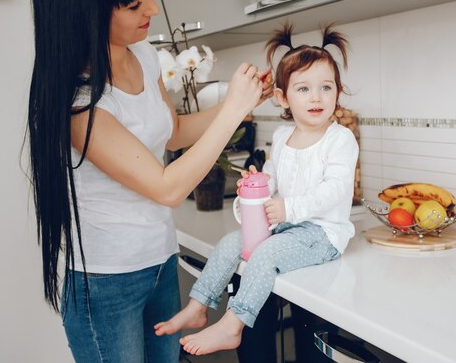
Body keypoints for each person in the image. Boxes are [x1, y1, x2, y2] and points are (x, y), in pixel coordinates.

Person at [26, 0, 271, 362]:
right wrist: (232, 111)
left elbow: (173, 133)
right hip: (105, 285)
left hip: (159, 260)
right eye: (135, 2)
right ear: (86, 9)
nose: (152, 7)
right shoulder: (78, 102)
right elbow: (167, 188)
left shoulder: (142, 54)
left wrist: (242, 103)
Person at [154, 23, 360, 356]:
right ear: (282, 97)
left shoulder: (340, 139)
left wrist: (288, 208)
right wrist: (258, 187)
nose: (317, 97)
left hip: (322, 235)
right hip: (287, 229)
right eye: (304, 89)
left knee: (264, 254)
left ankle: (233, 325)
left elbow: (336, 191)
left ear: (338, 91)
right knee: (229, 243)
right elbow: (274, 180)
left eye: (326, 87)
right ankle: (199, 304)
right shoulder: (281, 137)